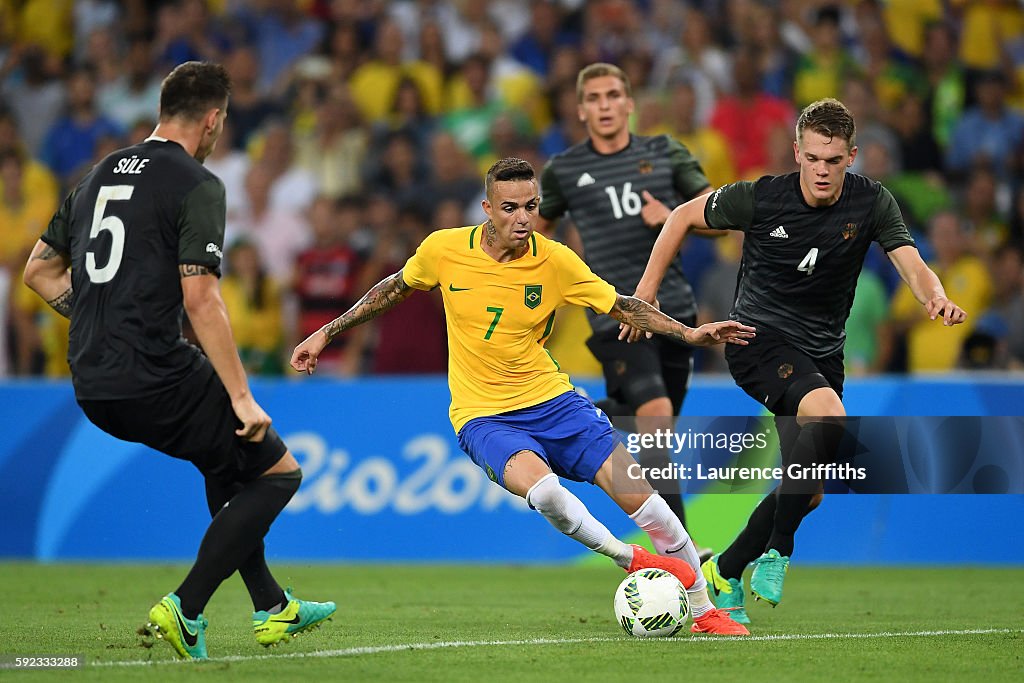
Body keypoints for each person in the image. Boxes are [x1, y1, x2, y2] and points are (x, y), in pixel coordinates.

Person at [291, 157, 755, 636]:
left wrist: (690, 334)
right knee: (548, 493)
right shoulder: (444, 249)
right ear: (488, 208)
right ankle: (630, 558)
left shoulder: (554, 260)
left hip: (556, 403)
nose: (522, 218)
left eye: (531, 206)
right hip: (484, 416)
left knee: (652, 506)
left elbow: (622, 305)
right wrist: (327, 332)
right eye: (510, 207)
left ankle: (704, 612)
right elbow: (394, 288)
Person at [22, 61, 335, 660]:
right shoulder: (196, 183)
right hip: (152, 371)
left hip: (91, 379)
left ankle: (273, 607)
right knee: (279, 473)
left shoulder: (95, 176)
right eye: (222, 123)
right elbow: (201, 296)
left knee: (225, 467)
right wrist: (242, 394)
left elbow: (37, 271)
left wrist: (94, 318)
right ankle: (186, 609)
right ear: (213, 119)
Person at [627, 98, 967, 624]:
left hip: (822, 355)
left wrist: (934, 295)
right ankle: (778, 553)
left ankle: (726, 571)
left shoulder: (872, 202)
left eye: (833, 160)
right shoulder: (761, 197)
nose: (822, 171)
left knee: (807, 493)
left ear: (851, 156)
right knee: (828, 418)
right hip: (756, 340)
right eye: (813, 158)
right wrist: (646, 293)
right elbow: (680, 217)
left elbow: (910, 261)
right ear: (797, 153)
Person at [535, 62, 715, 561]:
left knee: (654, 426)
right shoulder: (564, 170)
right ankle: (682, 547)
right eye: (594, 98)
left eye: (613, 94)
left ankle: (581, 413)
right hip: (613, 314)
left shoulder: (664, 152)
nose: (605, 105)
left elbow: (718, 217)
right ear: (581, 109)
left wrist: (677, 219)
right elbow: (534, 233)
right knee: (655, 419)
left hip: (676, 315)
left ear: (629, 102)